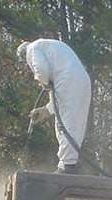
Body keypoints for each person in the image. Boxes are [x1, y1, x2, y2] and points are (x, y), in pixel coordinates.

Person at [17, 39, 91, 175]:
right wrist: (46, 110)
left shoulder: (33, 49)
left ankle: (67, 166)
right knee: (75, 123)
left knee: (64, 124)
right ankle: (71, 163)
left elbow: (42, 70)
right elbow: (57, 97)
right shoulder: (49, 49)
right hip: (82, 81)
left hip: (68, 81)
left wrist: (41, 80)